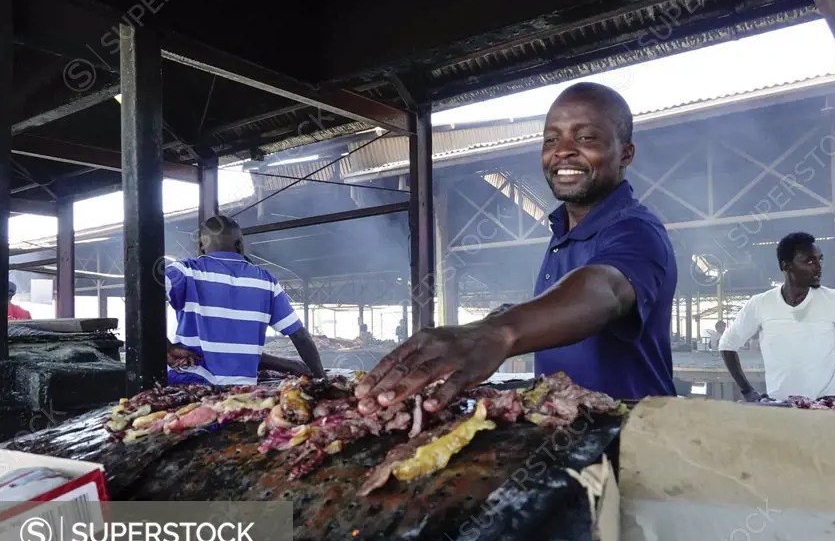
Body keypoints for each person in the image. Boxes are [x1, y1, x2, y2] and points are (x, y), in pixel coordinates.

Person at [355, 81, 677, 413]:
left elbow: (605, 289)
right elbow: (565, 307)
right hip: (567, 437)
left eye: (586, 138)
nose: (562, 150)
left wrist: (500, 331)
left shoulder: (638, 230)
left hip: (630, 441)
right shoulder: (562, 233)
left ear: (626, 152)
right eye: (551, 139)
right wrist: (504, 315)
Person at [718, 232, 835, 402]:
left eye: (820, 260)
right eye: (809, 262)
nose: (818, 267)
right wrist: (747, 391)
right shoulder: (760, 304)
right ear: (786, 265)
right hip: (779, 409)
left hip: (821, 411)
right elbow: (727, 344)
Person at [165, 215, 325, 386]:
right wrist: (321, 379)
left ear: (201, 246)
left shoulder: (185, 272)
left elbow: (140, 299)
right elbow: (300, 336)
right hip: (241, 392)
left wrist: (167, 348)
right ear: (240, 245)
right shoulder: (266, 281)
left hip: (188, 387)